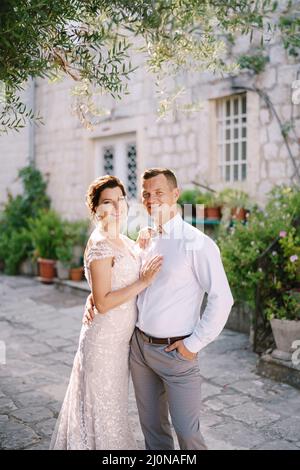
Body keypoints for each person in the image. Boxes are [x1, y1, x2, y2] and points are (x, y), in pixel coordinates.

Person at [85, 168, 234, 451]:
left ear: (176, 194)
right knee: (153, 433)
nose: (151, 199)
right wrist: (93, 300)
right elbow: (120, 278)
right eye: (146, 194)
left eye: (159, 193)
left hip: (176, 354)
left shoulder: (198, 243)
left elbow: (222, 299)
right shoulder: (147, 238)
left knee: (188, 435)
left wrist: (193, 345)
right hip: (139, 349)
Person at [50, 175, 162, 450]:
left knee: (113, 410)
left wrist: (143, 241)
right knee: (102, 413)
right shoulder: (100, 243)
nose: (116, 207)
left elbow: (116, 274)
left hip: (119, 343)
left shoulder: (120, 238)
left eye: (120, 200)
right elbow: (102, 302)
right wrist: (143, 282)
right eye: (107, 202)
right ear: (95, 209)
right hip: (103, 344)